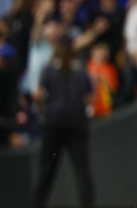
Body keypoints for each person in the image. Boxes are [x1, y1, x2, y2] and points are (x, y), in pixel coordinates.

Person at [32, 37, 95, 208]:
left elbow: (38, 95)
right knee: (82, 171)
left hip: (54, 123)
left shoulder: (49, 68)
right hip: (77, 123)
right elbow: (90, 97)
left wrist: (43, 110)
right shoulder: (81, 69)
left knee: (46, 171)